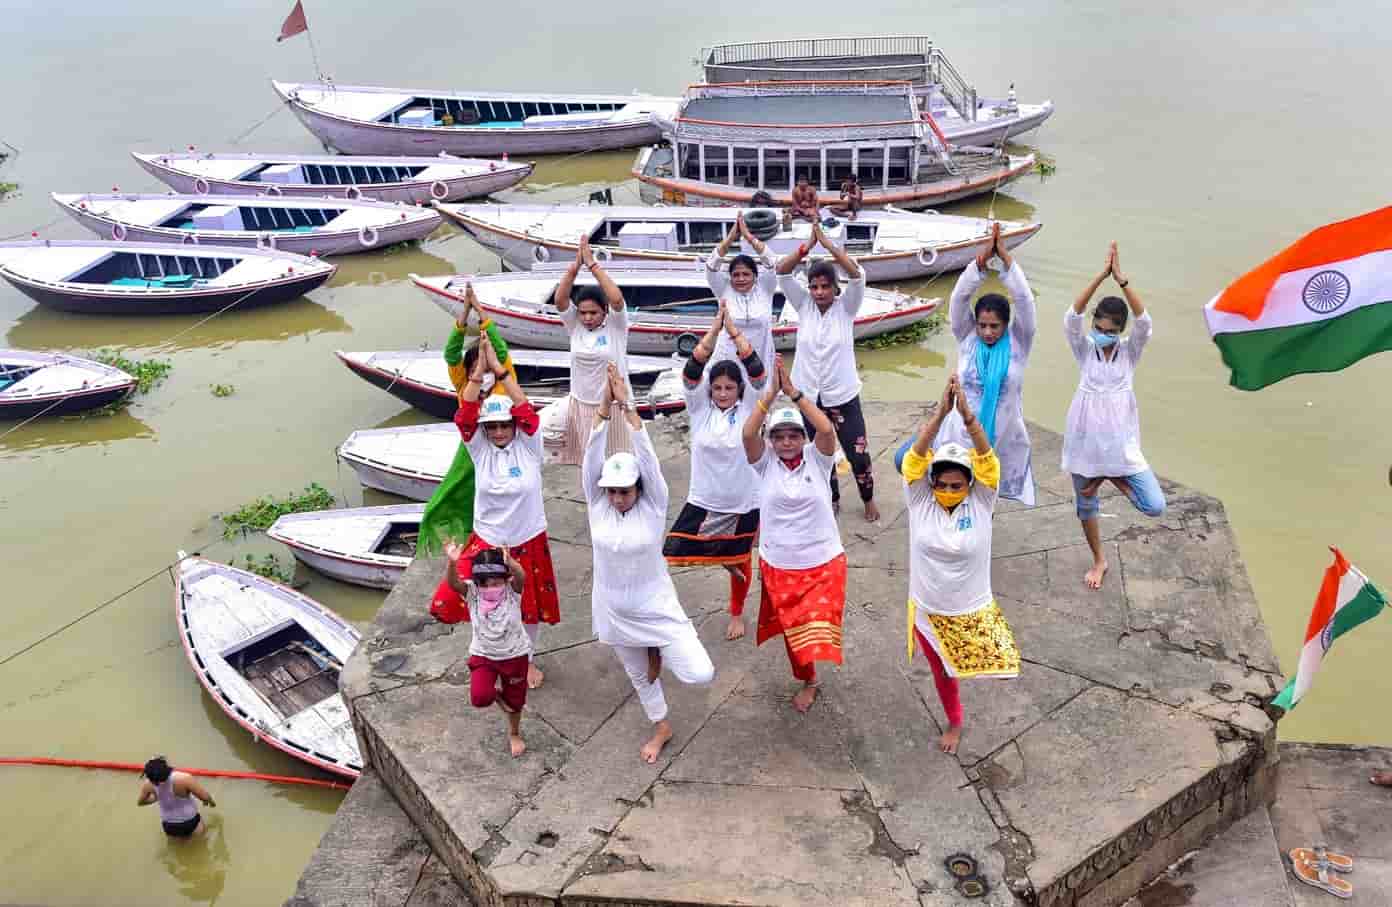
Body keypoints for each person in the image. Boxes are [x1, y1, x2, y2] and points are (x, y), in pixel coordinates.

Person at [585, 364, 715, 762]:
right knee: (639, 677)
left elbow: (650, 463)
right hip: (613, 606)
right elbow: (592, 455)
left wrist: (629, 410)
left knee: (699, 673)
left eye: (625, 491)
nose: (617, 497)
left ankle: (657, 644)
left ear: (638, 489)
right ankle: (662, 726)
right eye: (612, 491)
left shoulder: (653, 505)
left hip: (654, 603)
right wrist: (604, 409)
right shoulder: (597, 506)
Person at [898, 374, 1020, 755]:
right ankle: (955, 720)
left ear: (969, 485)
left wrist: (968, 418)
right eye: (942, 485)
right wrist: (939, 415)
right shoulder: (919, 501)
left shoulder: (983, 502)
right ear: (931, 483)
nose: (948, 492)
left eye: (957, 485)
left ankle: (955, 714)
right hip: (928, 608)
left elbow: (988, 462)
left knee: (971, 665)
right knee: (942, 671)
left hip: (969, 608)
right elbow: (915, 460)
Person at [452, 337, 559, 688]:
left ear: (513, 426)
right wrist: (478, 373)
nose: (499, 431)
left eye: (504, 425)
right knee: (487, 603)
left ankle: (526, 660)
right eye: (492, 427)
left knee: (530, 606)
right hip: (490, 540)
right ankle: (493, 652)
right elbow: (465, 416)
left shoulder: (529, 446)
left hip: (529, 538)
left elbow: (525, 410)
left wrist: (502, 372)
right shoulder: (479, 451)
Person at [742, 355, 845, 713]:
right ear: (771, 441)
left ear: (803, 438)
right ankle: (809, 679)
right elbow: (747, 433)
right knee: (792, 630)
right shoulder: (765, 463)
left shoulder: (819, 460)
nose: (786, 442)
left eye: (793, 435)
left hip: (822, 560)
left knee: (817, 626)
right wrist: (769, 395)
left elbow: (827, 430)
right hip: (779, 562)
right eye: (779, 436)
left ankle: (814, 671)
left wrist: (795, 393)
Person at [663, 304, 767, 640]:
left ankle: (736, 614)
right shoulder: (698, 409)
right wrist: (715, 327)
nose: (722, 393)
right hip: (705, 499)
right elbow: (692, 369)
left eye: (729, 388)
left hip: (744, 500)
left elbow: (758, 373)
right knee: (671, 553)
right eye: (717, 388)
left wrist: (735, 333)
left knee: (738, 563)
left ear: (739, 391)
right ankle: (664, 612)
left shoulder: (751, 407)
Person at [1065, 242, 1164, 589]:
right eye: (1100, 327)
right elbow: (1071, 317)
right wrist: (1099, 276)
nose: (1103, 335)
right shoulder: (1085, 350)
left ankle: (1114, 479)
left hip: (1121, 445)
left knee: (1154, 505)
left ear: (1119, 331)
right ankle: (1099, 560)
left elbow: (1145, 323)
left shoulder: (1128, 354)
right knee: (1086, 506)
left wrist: (1121, 280)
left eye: (1110, 331)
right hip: (1085, 441)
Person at [776, 220, 880, 522]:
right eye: (815, 286)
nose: (820, 292)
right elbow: (782, 271)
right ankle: (831, 499)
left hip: (844, 395)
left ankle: (867, 498)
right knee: (820, 454)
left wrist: (831, 247)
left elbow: (857, 276)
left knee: (857, 454)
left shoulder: (847, 306)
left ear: (835, 288)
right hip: (809, 396)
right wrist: (806, 247)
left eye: (825, 286)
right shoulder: (803, 305)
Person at [932, 222, 1037, 505]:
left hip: (1001, 435)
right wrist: (980, 263)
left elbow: (1025, 302)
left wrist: (1006, 260)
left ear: (1006, 324)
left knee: (986, 497)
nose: (988, 332)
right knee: (952, 492)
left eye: (994, 326)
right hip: (960, 433)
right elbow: (958, 299)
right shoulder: (967, 338)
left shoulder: (1019, 343)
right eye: (983, 325)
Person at [420, 283, 516, 569]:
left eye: (486, 366)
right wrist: (463, 316)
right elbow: (451, 353)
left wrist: (482, 314)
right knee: (451, 497)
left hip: (502, 445)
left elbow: (500, 349)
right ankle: (467, 538)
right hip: (472, 451)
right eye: (477, 366)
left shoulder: (503, 381)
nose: (482, 371)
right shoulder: (464, 386)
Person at [443, 546, 531, 757]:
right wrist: (452, 562)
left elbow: (522, 576)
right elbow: (453, 583)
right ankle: (499, 696)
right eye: (486, 584)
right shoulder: (473, 593)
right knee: (480, 697)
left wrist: (511, 562)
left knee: (515, 703)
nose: (492, 587)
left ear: (506, 578)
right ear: (478, 582)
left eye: (497, 582)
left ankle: (514, 733)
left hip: (515, 655)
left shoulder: (512, 592)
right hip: (484, 655)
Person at [551, 234, 632, 464]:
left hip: (615, 405)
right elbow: (560, 301)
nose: (587, 318)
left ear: (604, 312)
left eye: (593, 313)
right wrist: (575, 267)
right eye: (583, 312)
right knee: (592, 463)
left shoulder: (616, 326)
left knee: (618, 462)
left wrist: (592, 264)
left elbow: (617, 299)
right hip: (583, 404)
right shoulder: (574, 326)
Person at [703, 213, 778, 396]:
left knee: (758, 409)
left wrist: (750, 238)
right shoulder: (724, 289)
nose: (741, 279)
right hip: (727, 360)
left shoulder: (765, 288)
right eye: (736, 275)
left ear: (755, 275)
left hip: (759, 359)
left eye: (746, 274)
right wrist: (730, 239)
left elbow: (772, 262)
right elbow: (711, 266)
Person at [137, 756, 215, 838]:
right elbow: (205, 797)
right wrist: (212, 803)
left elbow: (141, 802)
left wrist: (156, 798)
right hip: (191, 821)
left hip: (169, 825)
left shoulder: (148, 785)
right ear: (166, 768)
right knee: (200, 843)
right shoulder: (184, 778)